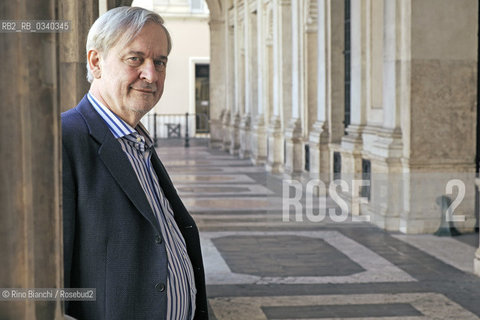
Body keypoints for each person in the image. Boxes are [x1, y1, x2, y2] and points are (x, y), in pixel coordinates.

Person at [61, 7, 208, 320]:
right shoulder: (64, 139)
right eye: (135, 59)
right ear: (96, 62)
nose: (151, 74)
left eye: (160, 62)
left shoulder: (138, 142)